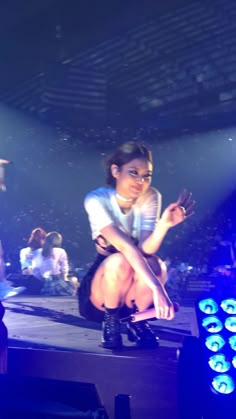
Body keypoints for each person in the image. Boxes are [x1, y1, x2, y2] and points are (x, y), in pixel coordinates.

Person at [78, 141, 195, 349]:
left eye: (146, 175)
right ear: (116, 170)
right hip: (106, 283)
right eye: (133, 172)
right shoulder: (96, 199)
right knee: (120, 261)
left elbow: (145, 249)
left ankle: (139, 321)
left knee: (156, 263)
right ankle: (111, 321)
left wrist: (164, 225)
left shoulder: (151, 196)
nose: (141, 180)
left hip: (135, 279)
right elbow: (125, 248)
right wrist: (159, 290)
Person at [31, 231, 75, 295]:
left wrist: (43, 280)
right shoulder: (61, 251)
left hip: (45, 284)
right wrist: (64, 279)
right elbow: (64, 268)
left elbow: (35, 269)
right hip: (57, 279)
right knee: (74, 280)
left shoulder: (37, 252)